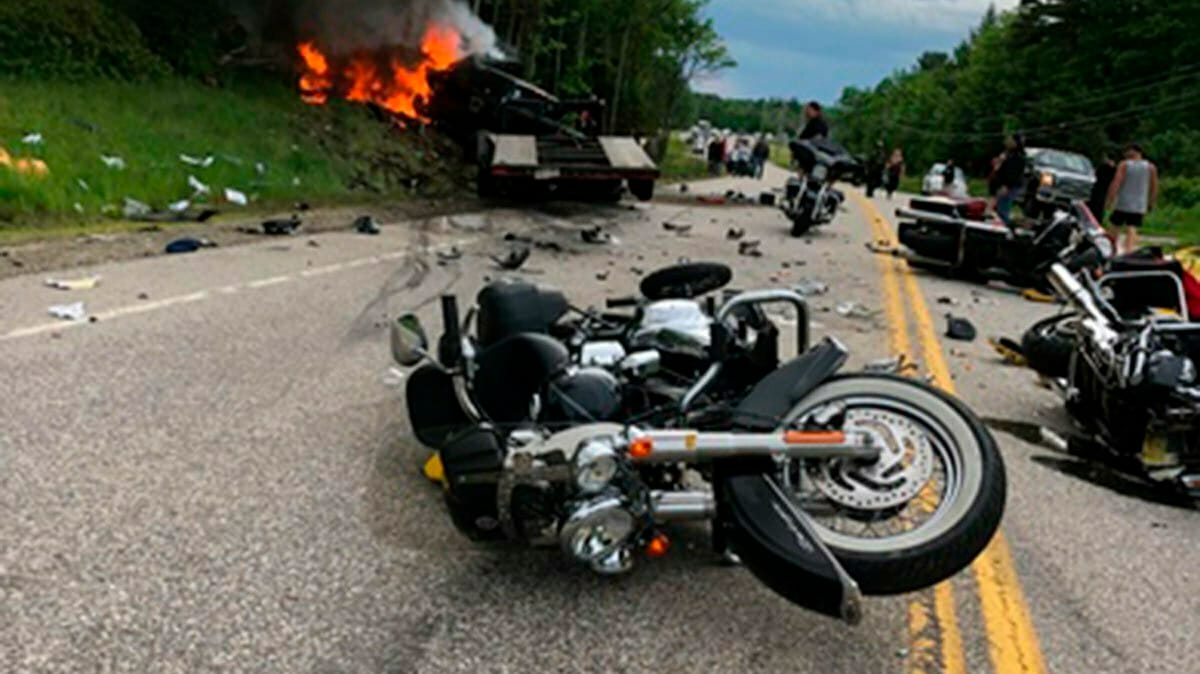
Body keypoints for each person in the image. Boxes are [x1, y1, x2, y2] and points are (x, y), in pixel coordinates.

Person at [1106, 144, 1159, 253]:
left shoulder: (1124, 165)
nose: (1125, 154)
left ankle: (1110, 248)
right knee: (1132, 227)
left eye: (1127, 151)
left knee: (1115, 226)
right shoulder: (1150, 167)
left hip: (1123, 203)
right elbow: (1154, 186)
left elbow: (1117, 182)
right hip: (1139, 204)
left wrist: (1110, 198)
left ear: (1134, 151)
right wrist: (1151, 202)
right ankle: (1128, 250)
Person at [992, 134, 1027, 225]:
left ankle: (1006, 228)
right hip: (1003, 184)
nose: (1007, 141)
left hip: (1009, 186)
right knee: (999, 208)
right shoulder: (1007, 153)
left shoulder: (1018, 156)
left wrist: (1006, 186)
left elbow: (1013, 173)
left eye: (1010, 140)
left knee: (1002, 210)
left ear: (1016, 143)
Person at [1089, 150, 1117, 224]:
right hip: (1105, 188)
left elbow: (1096, 175)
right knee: (1100, 205)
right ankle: (1098, 221)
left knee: (1096, 205)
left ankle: (1094, 220)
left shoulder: (1104, 167)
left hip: (1099, 187)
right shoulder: (1114, 168)